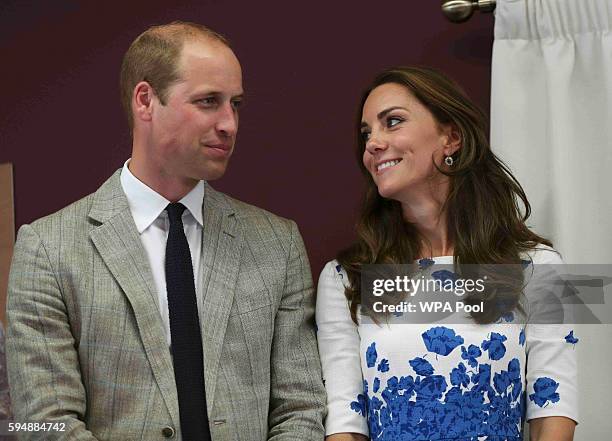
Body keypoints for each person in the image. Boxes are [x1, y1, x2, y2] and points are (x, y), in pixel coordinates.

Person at [6, 21, 325, 441]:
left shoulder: (276, 243)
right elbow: (45, 423)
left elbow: (301, 409)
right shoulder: (47, 248)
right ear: (145, 100)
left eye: (236, 104)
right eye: (209, 101)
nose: (230, 123)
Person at [316, 67, 578, 440]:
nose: (372, 143)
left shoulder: (538, 268)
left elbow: (553, 407)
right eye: (366, 133)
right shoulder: (346, 278)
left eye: (392, 122)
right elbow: (345, 419)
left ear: (451, 137)